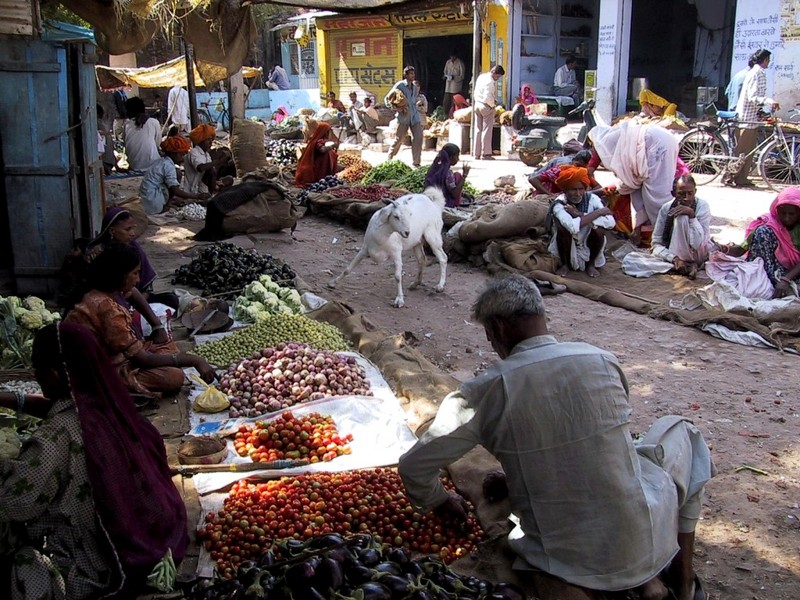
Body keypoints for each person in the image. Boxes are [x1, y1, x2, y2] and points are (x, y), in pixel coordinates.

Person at [398, 275, 715, 600]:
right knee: (684, 433)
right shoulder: (602, 359)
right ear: (541, 316)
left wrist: (439, 499)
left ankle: (623, 583)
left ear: (498, 329)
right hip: (645, 539)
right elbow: (590, 442)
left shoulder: (485, 391)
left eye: (489, 336)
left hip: (565, 559)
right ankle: (683, 583)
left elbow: (413, 467)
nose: (492, 345)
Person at [0, 321, 190, 599]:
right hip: (156, 535)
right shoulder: (114, 405)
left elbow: (16, 504)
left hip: (102, 559)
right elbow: (58, 409)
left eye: (37, 371)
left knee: (20, 562)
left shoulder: (54, 440)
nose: (36, 377)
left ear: (52, 375)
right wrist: (11, 399)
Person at [65, 244, 216, 397]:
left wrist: (157, 325)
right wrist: (195, 360)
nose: (138, 279)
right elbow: (144, 359)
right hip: (98, 372)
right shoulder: (105, 308)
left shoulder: (104, 288)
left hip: (115, 355)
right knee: (173, 377)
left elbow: (133, 292)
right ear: (119, 276)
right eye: (135, 273)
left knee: (166, 345)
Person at [84, 207, 179, 334]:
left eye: (133, 228)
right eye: (127, 229)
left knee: (171, 299)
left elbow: (144, 288)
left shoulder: (134, 248)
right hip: (110, 302)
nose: (133, 233)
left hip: (133, 299)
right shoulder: (98, 254)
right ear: (112, 231)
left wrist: (135, 304)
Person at [588, 121, 680, 234]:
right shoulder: (614, 137)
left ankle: (667, 234)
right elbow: (632, 179)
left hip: (655, 142)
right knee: (648, 192)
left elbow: (627, 180)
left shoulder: (602, 144)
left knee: (656, 197)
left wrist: (600, 191)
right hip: (664, 139)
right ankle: (649, 233)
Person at [720, 187, 800, 297]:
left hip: (793, 273)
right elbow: (741, 249)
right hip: (768, 273)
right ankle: (762, 281)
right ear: (777, 211)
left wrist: (786, 279)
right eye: (783, 213)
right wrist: (724, 249)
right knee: (762, 232)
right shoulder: (769, 223)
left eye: (792, 214)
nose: (787, 218)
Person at [547, 165, 615, 277]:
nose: (578, 193)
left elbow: (610, 222)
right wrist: (598, 213)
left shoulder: (593, 199)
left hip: (588, 241)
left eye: (581, 189)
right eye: (573, 189)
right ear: (565, 190)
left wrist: (580, 214)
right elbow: (572, 227)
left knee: (600, 231)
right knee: (562, 229)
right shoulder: (559, 204)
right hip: (567, 243)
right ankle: (565, 265)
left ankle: (591, 264)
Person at [729, 49, 779, 188]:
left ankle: (740, 178)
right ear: (764, 60)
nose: (768, 62)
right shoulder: (759, 73)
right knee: (744, 151)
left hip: (749, 117)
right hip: (747, 119)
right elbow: (753, 97)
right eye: (768, 60)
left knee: (746, 151)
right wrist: (769, 101)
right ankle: (737, 178)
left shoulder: (753, 72)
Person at [650, 175, 711, 279]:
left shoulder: (702, 206)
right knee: (632, 261)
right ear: (673, 193)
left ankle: (689, 264)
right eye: (681, 194)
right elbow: (656, 243)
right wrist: (674, 259)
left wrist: (692, 216)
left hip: (696, 254)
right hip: (674, 257)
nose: (686, 198)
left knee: (682, 217)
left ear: (695, 191)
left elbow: (698, 244)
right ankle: (685, 266)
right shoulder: (666, 208)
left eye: (690, 193)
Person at [138, 135, 209, 214]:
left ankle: (167, 202)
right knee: (175, 179)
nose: (183, 158)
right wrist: (197, 196)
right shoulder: (168, 166)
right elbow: (175, 190)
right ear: (173, 154)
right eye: (181, 155)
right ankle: (163, 206)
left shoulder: (162, 161)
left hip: (146, 198)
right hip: (152, 202)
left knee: (177, 172)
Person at [385, 66, 424, 168]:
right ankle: (389, 159)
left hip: (415, 116)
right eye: (411, 74)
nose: (413, 76)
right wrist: (395, 108)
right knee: (399, 139)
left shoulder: (415, 87)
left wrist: (417, 103)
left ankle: (416, 162)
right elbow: (387, 99)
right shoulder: (400, 85)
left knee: (418, 138)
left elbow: (413, 100)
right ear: (406, 75)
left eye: (413, 74)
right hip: (403, 117)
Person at [183, 124, 232, 195]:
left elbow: (212, 170)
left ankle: (214, 189)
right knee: (211, 171)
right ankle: (211, 194)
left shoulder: (207, 155)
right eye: (208, 140)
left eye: (211, 140)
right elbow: (201, 168)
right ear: (201, 140)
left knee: (229, 179)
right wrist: (219, 160)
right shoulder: (194, 152)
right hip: (194, 189)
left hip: (204, 185)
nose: (211, 143)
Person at [423, 143, 471, 208]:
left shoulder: (433, 168)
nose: (458, 159)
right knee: (457, 175)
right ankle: (456, 204)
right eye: (457, 156)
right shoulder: (448, 173)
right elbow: (454, 194)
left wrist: (463, 194)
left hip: (430, 200)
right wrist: (464, 175)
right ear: (451, 158)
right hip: (443, 203)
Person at [528, 149, 596, 195]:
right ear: (572, 162)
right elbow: (533, 179)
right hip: (547, 197)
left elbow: (597, 186)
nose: (578, 168)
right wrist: (549, 194)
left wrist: (587, 194)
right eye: (577, 165)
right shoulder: (559, 170)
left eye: (583, 167)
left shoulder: (583, 173)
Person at [472, 65, 505, 160]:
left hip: (477, 104)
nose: (497, 78)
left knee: (478, 130)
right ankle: (486, 154)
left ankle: (476, 153)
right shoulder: (490, 82)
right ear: (494, 73)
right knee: (486, 130)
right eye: (497, 76)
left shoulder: (481, 77)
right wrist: (493, 105)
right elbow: (487, 97)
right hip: (486, 106)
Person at [295, 119, 339, 188]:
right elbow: (322, 149)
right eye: (328, 132)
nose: (329, 134)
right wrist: (332, 146)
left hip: (323, 166)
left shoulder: (324, 140)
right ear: (323, 132)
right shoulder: (317, 141)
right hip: (318, 168)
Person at [122, 97, 161, 171]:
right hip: (152, 163)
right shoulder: (153, 122)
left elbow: (125, 143)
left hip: (133, 164)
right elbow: (157, 144)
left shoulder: (126, 124)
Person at [442, 51, 465, 117]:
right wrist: (445, 76)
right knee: (446, 101)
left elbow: (462, 76)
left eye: (453, 57)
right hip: (448, 85)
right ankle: (445, 115)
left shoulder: (460, 63)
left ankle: (453, 115)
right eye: (451, 57)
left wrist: (454, 77)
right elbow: (445, 72)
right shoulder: (448, 62)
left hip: (455, 86)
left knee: (454, 102)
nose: (452, 58)